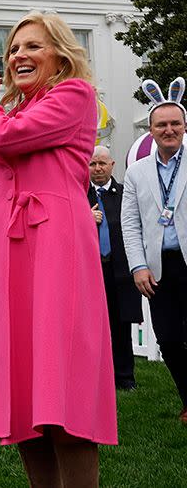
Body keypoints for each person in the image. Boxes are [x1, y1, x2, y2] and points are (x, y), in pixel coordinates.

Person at [0, 11, 115, 485]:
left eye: (32, 47)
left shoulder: (74, 95)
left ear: (60, 55)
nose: (19, 55)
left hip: (57, 247)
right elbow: (17, 183)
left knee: (64, 400)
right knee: (25, 407)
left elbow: (6, 138)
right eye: (14, 49)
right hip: (12, 253)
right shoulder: (18, 110)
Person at [121, 81, 187, 421]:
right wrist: (138, 266)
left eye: (175, 123)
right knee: (170, 339)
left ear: (184, 126)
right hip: (159, 268)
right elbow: (130, 225)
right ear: (151, 130)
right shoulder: (136, 173)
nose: (169, 130)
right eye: (161, 124)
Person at [89, 146, 141, 391]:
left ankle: (124, 376)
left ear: (112, 165)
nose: (97, 169)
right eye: (92, 164)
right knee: (91, 327)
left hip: (119, 270)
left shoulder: (125, 194)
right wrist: (84, 219)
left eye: (102, 163)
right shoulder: (79, 196)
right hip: (91, 272)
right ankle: (96, 377)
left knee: (121, 324)